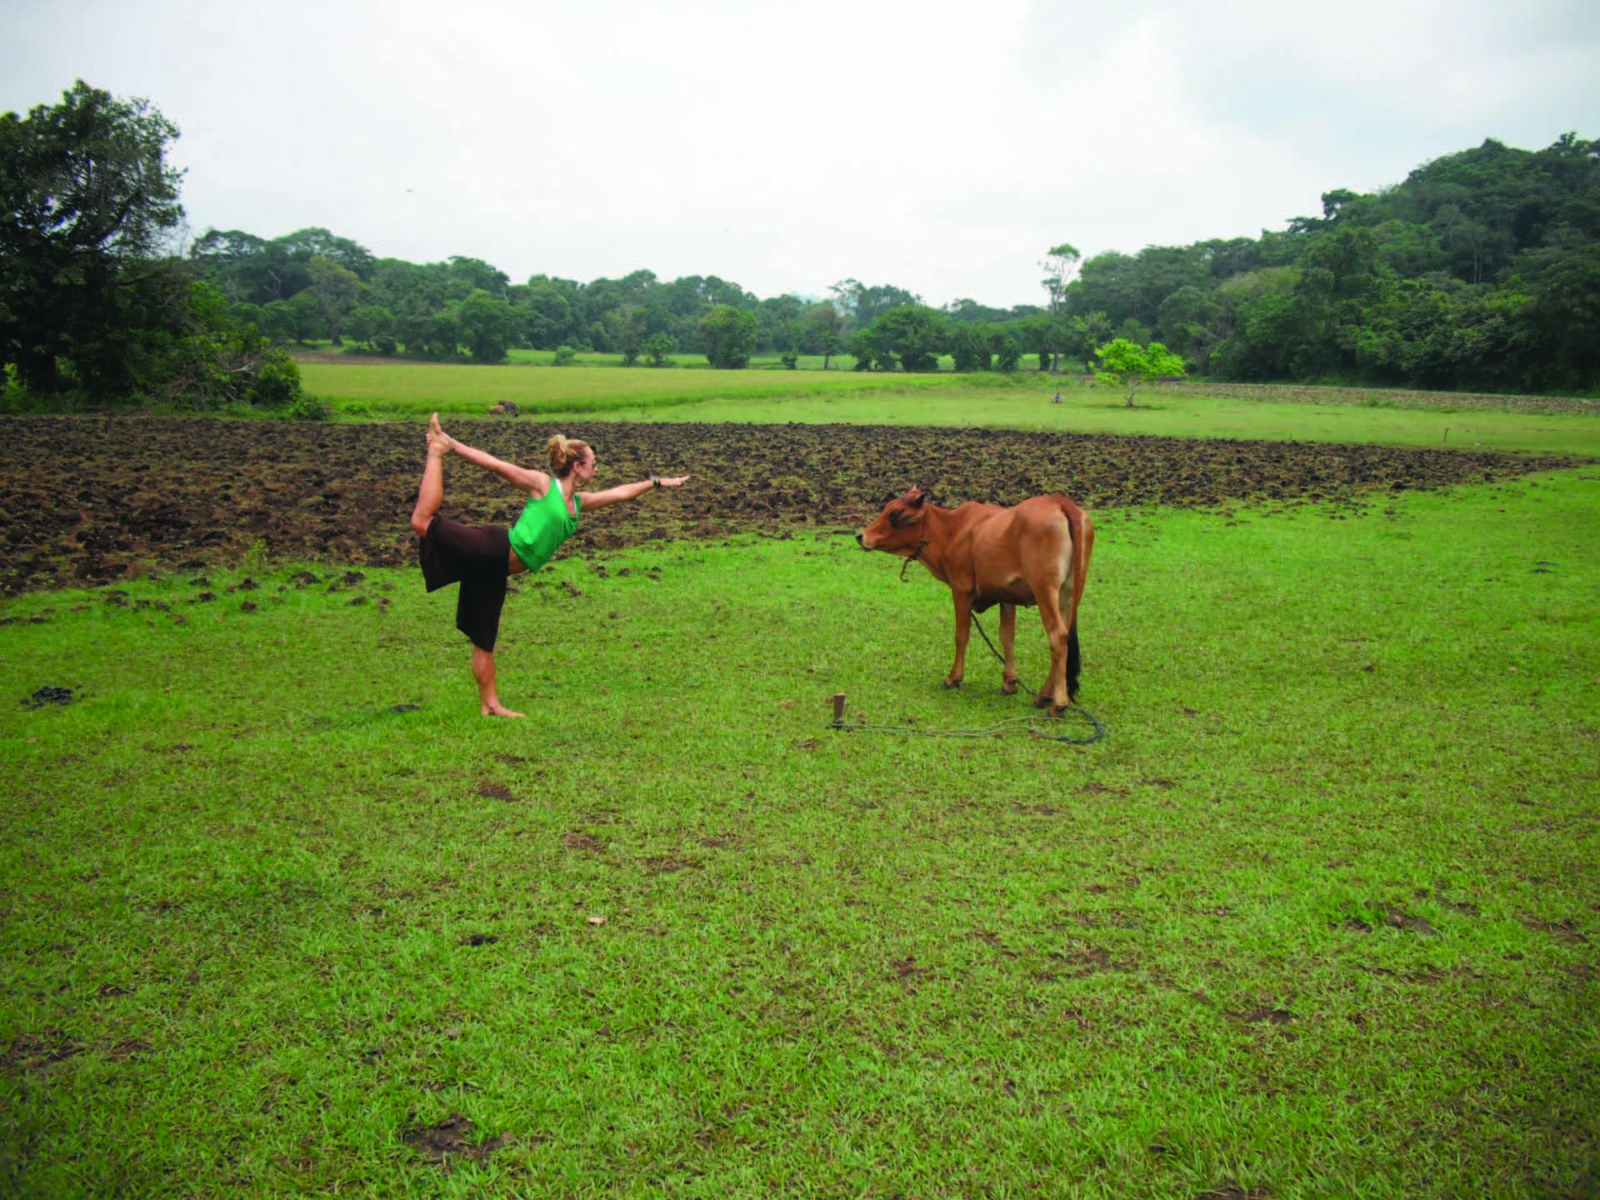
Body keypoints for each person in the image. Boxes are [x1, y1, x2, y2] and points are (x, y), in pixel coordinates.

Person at [409, 412, 689, 717]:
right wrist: (451, 446)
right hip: (492, 548)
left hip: (496, 568)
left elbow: (620, 495)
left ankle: (490, 705)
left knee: (484, 637)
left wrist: (658, 482)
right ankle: (435, 451)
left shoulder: (579, 503)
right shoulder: (543, 486)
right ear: (577, 466)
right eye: (593, 462)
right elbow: (494, 464)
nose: (597, 468)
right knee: (423, 522)